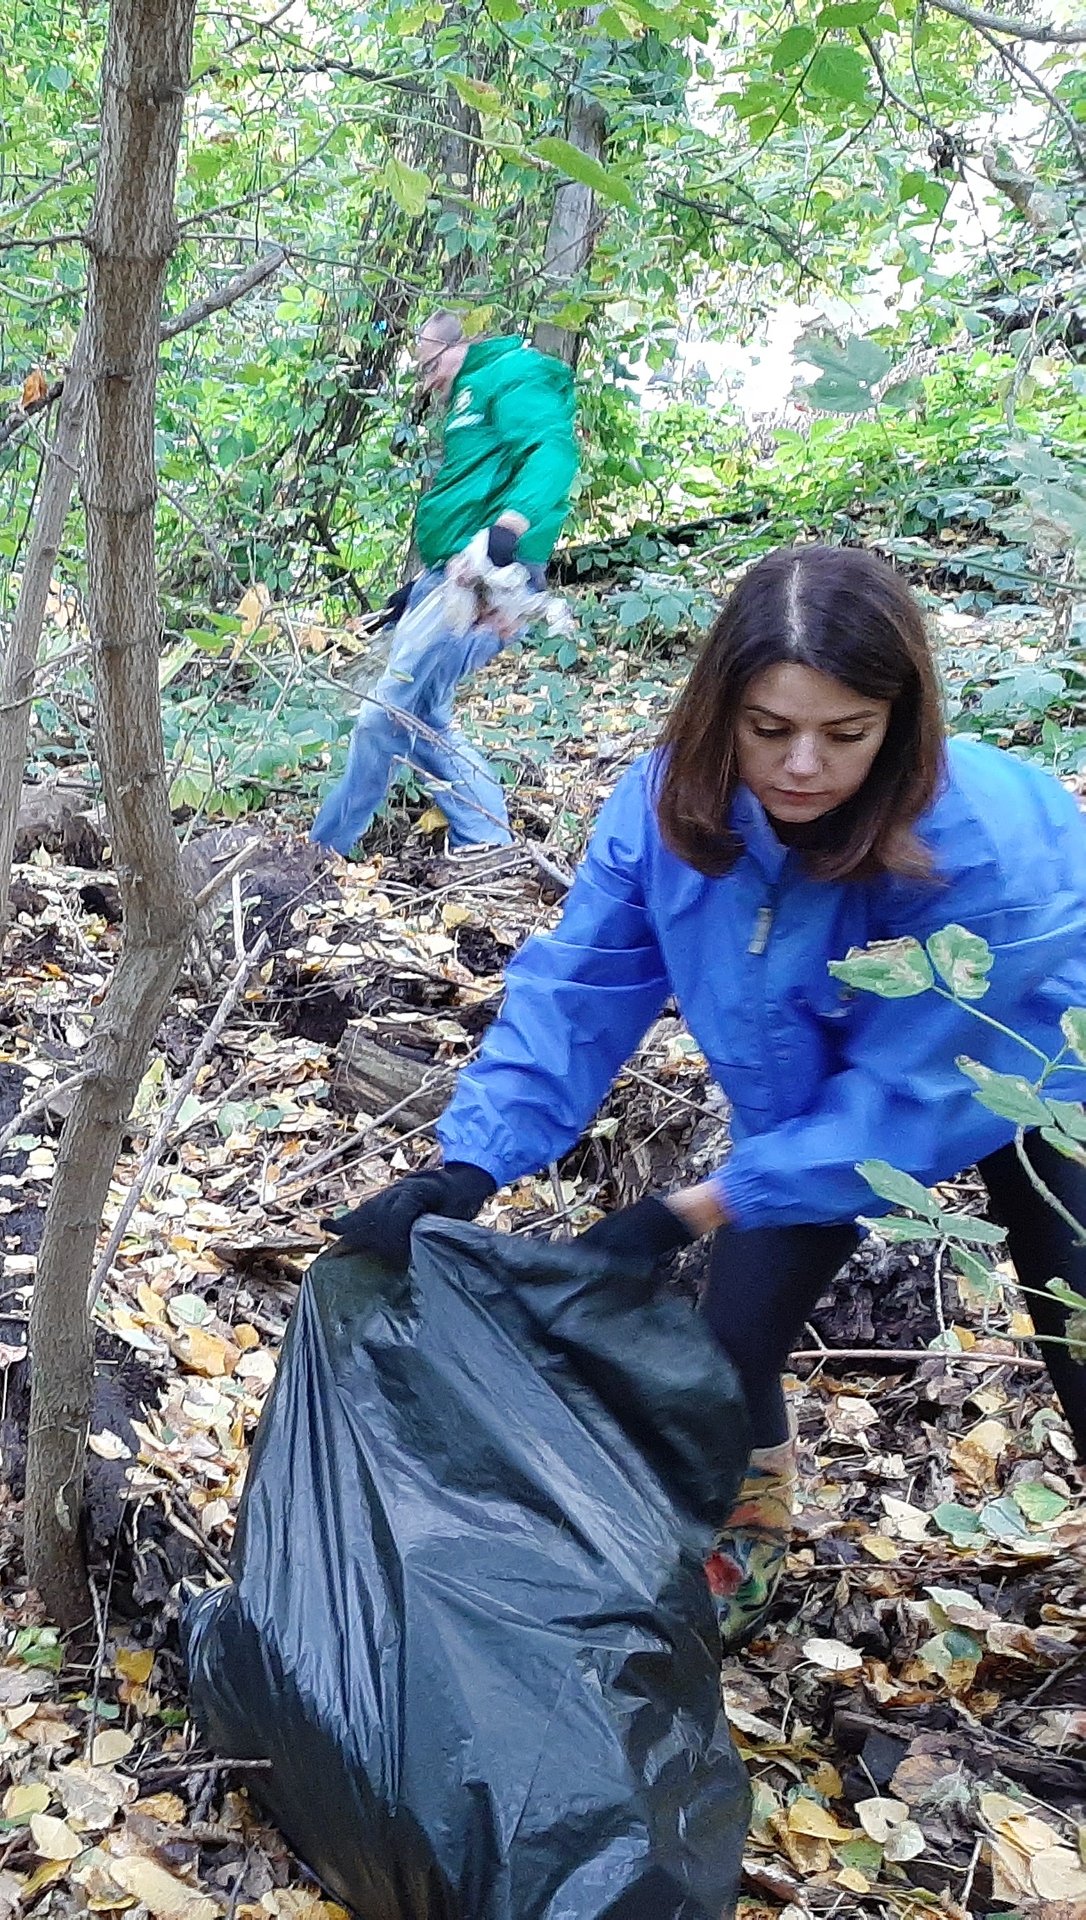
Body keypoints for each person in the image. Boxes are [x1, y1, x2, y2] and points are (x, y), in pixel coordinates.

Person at [329, 545, 1086, 1647]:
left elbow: (910, 1100)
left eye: (846, 733)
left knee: (1078, 1324)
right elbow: (581, 988)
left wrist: (688, 1208)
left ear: (901, 722)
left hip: (1037, 1054)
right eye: (769, 728)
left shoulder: (978, 849)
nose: (803, 767)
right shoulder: (668, 809)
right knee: (728, 1346)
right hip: (808, 1084)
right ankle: (746, 1534)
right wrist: (469, 1164)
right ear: (721, 707)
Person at [312, 313, 580, 856]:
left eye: (430, 365)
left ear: (457, 346)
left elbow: (551, 451)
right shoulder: (468, 395)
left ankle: (324, 849)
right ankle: (486, 841)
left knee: (384, 715)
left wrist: (510, 528)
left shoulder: (511, 373)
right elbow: (468, 498)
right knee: (421, 716)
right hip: (450, 580)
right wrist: (416, 590)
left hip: (491, 583)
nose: (427, 381)